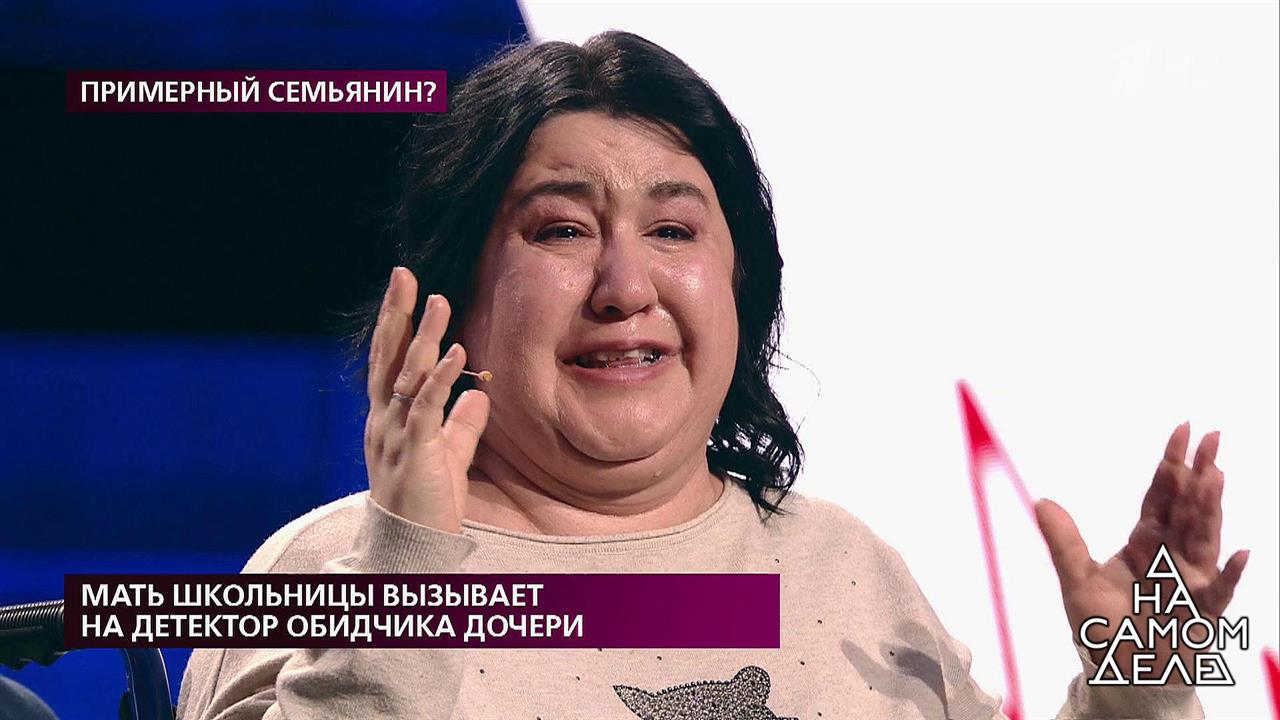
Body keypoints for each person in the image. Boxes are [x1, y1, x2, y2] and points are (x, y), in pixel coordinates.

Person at [176, 31, 1248, 719]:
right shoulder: (322, 574)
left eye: (674, 229)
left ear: (740, 284)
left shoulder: (847, 570)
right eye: (561, 229)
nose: (624, 286)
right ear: (455, 285)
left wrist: (1141, 690)